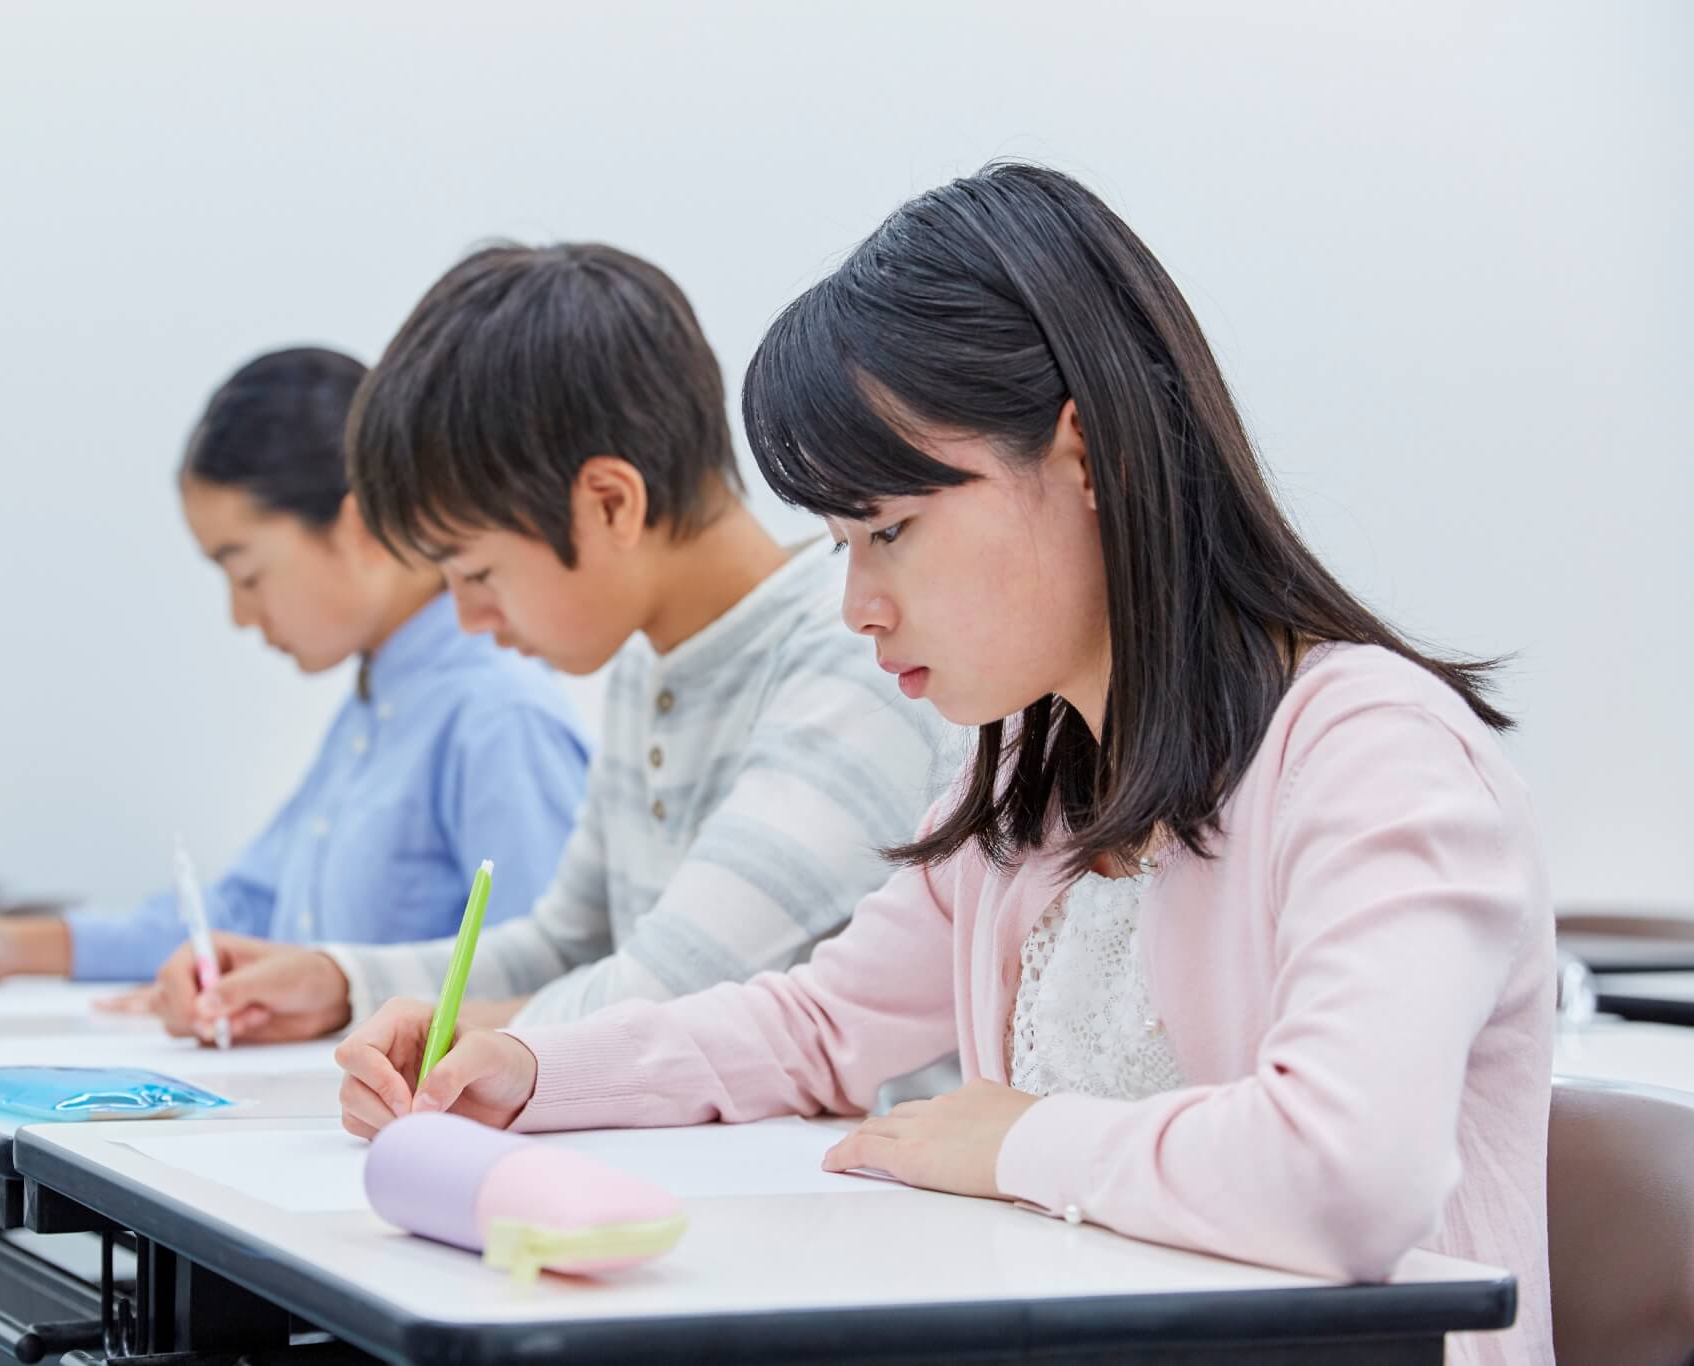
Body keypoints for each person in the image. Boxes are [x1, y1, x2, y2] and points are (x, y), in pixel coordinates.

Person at [333, 167, 1552, 1366]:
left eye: (890, 532)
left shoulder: (1370, 749)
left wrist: (1015, 1140)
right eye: (838, 543)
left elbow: (1345, 1177)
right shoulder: (1035, 771)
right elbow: (815, 1024)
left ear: (1085, 457)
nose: (857, 603)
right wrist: (532, 1071)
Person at [151, 245, 948, 1044]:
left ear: (609, 504)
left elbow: (667, 990)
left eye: (477, 572)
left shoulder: (855, 656)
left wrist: (446, 1035)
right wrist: (339, 983)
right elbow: (566, 945)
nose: (468, 619)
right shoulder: (648, 666)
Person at [0, 347, 589, 990]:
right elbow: (241, 912)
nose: (240, 616)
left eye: (247, 573)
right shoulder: (376, 710)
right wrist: (20, 946)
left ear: (358, 525)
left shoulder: (499, 714)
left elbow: (550, 980)